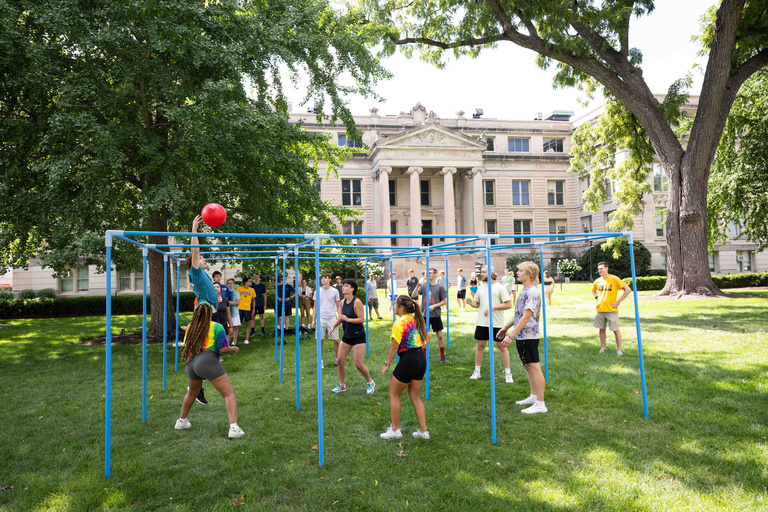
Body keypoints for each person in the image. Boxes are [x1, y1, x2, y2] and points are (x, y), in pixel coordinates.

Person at [175, 215, 244, 438]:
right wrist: (194, 229)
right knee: (228, 393)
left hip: (192, 363)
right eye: (202, 258)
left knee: (192, 392)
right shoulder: (195, 271)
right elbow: (195, 251)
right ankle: (234, 428)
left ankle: (182, 421)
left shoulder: (202, 280)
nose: (204, 259)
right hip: (205, 359)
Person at [496, 261, 547, 414]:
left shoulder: (532, 292)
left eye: (520, 271)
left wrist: (510, 336)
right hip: (522, 335)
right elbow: (518, 314)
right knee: (528, 366)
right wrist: (505, 327)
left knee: (534, 367)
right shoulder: (524, 290)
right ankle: (533, 397)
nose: (517, 272)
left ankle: (540, 404)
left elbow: (526, 317)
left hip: (529, 335)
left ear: (529, 274)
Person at [380, 295, 431, 440]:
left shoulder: (400, 323)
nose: (394, 306)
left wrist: (387, 364)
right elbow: (428, 336)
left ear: (401, 307)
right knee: (415, 397)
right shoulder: (415, 320)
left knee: (393, 394)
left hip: (409, 360)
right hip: (420, 359)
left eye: (395, 304)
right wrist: (418, 347)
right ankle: (423, 432)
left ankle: (395, 430)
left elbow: (394, 346)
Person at [465, 266, 513, 382]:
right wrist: (471, 303)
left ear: (491, 273)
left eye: (484, 272)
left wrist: (494, 307)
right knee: (480, 347)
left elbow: (508, 304)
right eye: (481, 272)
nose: (481, 274)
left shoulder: (500, 288)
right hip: (482, 322)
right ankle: (477, 372)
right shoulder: (481, 288)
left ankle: (508, 374)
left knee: (502, 347)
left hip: (496, 323)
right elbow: (477, 304)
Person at [331, 279, 375, 394]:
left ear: (352, 289)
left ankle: (370, 382)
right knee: (339, 360)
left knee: (358, 364)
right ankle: (342, 385)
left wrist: (348, 319)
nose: (343, 287)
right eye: (343, 286)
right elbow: (342, 317)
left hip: (358, 336)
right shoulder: (342, 302)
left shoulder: (357, 302)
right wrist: (333, 327)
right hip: (347, 336)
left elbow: (361, 319)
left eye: (346, 286)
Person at [592, 262, 631, 355]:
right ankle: (603, 348)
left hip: (611, 310)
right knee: (601, 329)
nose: (599, 270)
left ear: (607, 268)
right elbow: (593, 290)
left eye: (601, 268)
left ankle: (619, 350)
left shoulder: (614, 279)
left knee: (616, 330)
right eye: (598, 269)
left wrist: (618, 301)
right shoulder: (597, 281)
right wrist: (596, 297)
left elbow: (628, 289)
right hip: (600, 309)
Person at [411, 268, 449, 363]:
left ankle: (443, 356)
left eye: (431, 273)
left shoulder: (440, 287)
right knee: (424, 336)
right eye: (428, 273)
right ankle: (423, 356)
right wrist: (417, 285)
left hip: (435, 315)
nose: (428, 275)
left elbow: (444, 301)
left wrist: (434, 306)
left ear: (435, 274)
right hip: (424, 315)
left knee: (440, 336)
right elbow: (413, 295)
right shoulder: (424, 286)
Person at [313, 273, 342, 369]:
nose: (323, 280)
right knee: (320, 341)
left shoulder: (334, 291)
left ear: (329, 279)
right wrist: (313, 320)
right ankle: (320, 360)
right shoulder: (317, 291)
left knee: (336, 340)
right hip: (321, 318)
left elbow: (338, 305)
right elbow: (314, 306)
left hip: (332, 318)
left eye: (325, 278)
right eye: (322, 278)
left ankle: (338, 359)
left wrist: (340, 318)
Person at [236, 277, 255, 344]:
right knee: (237, 324)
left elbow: (253, 300)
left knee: (248, 324)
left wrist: (253, 309)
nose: (251, 282)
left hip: (247, 309)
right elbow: (236, 298)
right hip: (239, 308)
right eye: (249, 281)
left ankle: (247, 339)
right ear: (245, 282)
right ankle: (235, 339)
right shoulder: (240, 288)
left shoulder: (252, 290)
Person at [226, 278, 241, 346]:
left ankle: (235, 343)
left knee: (235, 328)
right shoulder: (225, 293)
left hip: (235, 312)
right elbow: (225, 303)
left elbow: (238, 302)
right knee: (229, 329)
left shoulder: (236, 293)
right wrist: (232, 303)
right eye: (229, 283)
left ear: (234, 284)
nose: (230, 284)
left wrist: (229, 302)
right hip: (228, 313)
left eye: (231, 283)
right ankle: (227, 344)